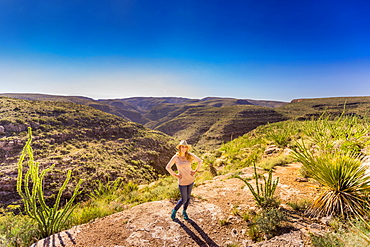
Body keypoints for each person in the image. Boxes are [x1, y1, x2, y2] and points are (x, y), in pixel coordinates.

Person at [166, 140, 202, 220]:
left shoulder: (189, 155)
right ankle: (174, 210)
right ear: (179, 147)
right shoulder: (176, 157)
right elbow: (168, 167)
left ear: (187, 148)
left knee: (188, 198)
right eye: (182, 146)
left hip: (191, 180)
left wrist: (196, 171)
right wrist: (175, 175)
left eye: (185, 147)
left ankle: (184, 212)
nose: (184, 148)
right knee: (184, 199)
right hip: (182, 181)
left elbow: (200, 161)